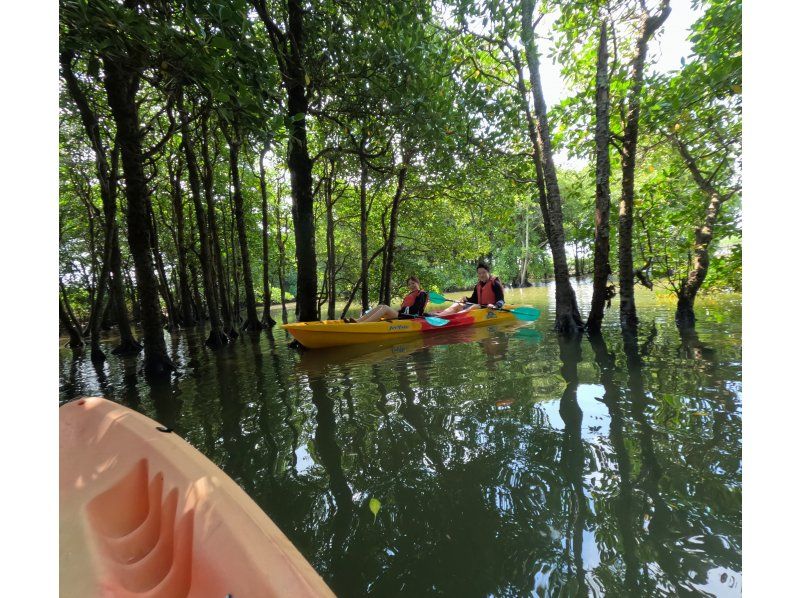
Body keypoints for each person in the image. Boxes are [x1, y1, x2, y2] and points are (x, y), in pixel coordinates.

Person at [434, 263, 505, 317]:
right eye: (479, 273)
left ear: (488, 272)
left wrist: (496, 306)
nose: (481, 275)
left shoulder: (495, 283)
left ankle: (453, 317)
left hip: (490, 309)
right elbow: (474, 300)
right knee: (459, 303)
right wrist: (466, 299)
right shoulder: (478, 286)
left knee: (476, 306)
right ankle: (441, 315)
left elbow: (501, 300)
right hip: (479, 307)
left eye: (484, 272)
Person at [349, 276, 429, 323]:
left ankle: (363, 324)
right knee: (381, 306)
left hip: (412, 317)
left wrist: (400, 311)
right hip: (404, 315)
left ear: (418, 283)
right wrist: (399, 311)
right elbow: (405, 308)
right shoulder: (410, 294)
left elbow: (416, 309)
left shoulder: (422, 293)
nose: (411, 286)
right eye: (409, 284)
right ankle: (358, 321)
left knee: (385, 307)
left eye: (413, 283)